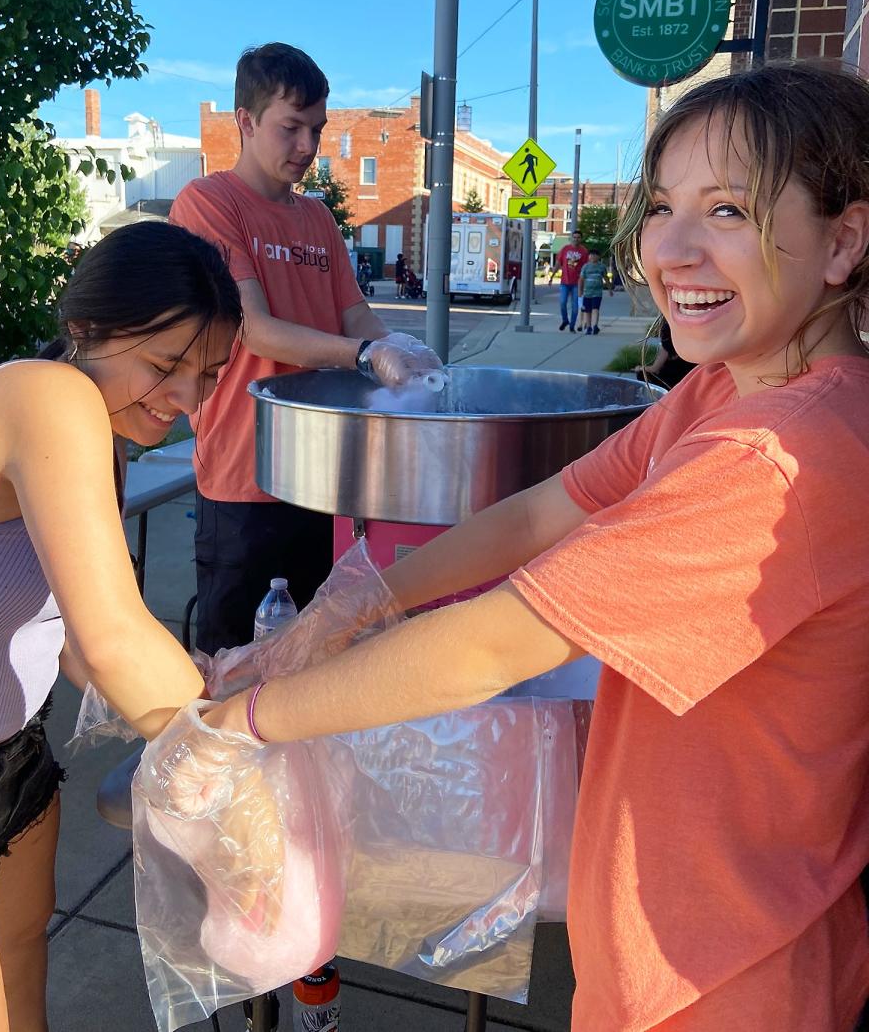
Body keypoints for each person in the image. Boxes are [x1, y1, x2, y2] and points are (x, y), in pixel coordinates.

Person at [184, 62, 869, 1030]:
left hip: (724, 968)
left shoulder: (777, 456)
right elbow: (550, 507)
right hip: (682, 934)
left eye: (728, 211)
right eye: (663, 206)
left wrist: (245, 722)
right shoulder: (724, 392)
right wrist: (358, 602)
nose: (670, 249)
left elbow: (497, 643)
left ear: (843, 240)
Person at [0, 220, 243, 1030]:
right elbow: (114, 638)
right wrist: (252, 763)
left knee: (24, 981)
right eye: (165, 366)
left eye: (207, 377)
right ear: (85, 329)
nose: (186, 402)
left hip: (9, 755)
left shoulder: (104, 434)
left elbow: (75, 643)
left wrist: (206, 683)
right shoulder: (44, 395)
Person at [169, 43, 437, 653]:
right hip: (244, 477)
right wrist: (365, 356)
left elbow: (356, 314)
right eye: (291, 128)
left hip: (323, 478)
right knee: (235, 661)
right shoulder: (209, 204)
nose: (308, 148)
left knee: (317, 652)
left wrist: (403, 349)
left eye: (316, 130)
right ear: (245, 121)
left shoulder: (317, 220)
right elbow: (254, 329)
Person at [635, 317, 698, 388]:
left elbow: (655, 367)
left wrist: (642, 368)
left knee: (641, 374)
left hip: (670, 378)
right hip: (693, 375)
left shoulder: (670, 326)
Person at [557, 229, 589, 331]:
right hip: (565, 282)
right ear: (571, 238)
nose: (576, 239)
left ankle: (572, 326)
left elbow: (586, 267)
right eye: (574, 237)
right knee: (562, 302)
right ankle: (565, 320)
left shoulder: (584, 251)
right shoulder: (565, 249)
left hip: (577, 283)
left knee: (575, 306)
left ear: (581, 239)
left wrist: (585, 281)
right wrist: (552, 276)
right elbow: (559, 263)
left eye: (578, 237)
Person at [576, 248, 613, 334]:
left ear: (598, 257)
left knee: (595, 308)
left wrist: (610, 289)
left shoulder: (601, 267)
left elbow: (606, 278)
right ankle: (588, 327)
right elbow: (581, 280)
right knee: (587, 310)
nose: (592, 256)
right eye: (591, 255)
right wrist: (580, 291)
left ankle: (595, 325)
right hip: (587, 292)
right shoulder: (585, 267)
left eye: (595, 255)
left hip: (597, 292)